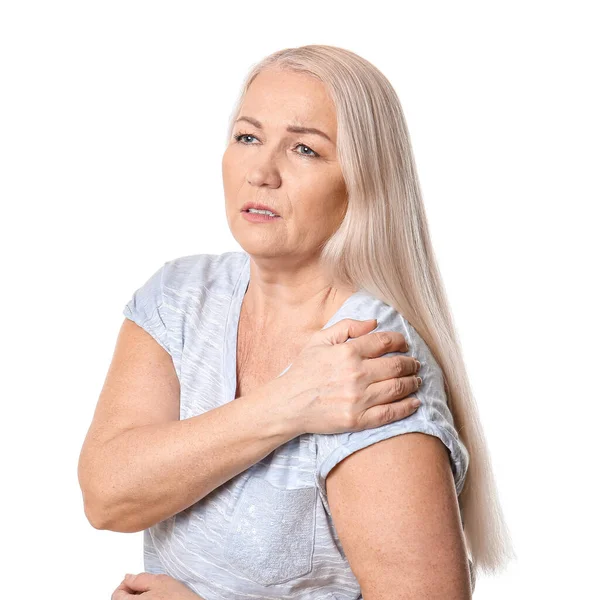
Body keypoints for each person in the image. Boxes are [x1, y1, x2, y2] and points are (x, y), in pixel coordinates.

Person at [79, 45, 514, 600]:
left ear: (363, 182)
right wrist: (287, 404)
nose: (261, 172)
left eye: (305, 149)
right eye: (248, 137)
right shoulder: (180, 297)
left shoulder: (369, 365)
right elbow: (108, 496)